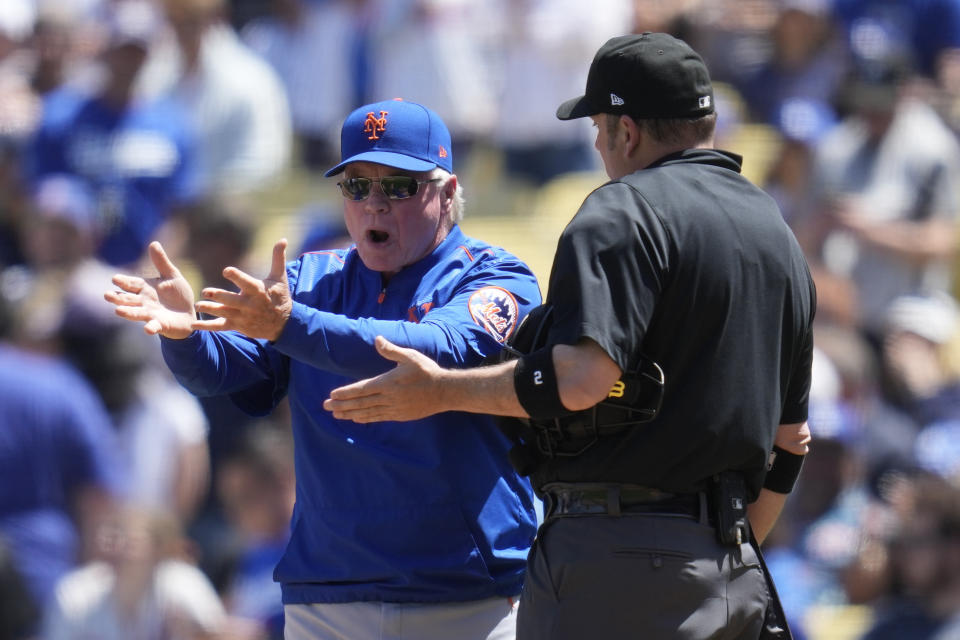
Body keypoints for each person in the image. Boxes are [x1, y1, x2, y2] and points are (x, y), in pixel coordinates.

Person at [325, 33, 817, 640]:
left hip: (615, 562)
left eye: (599, 125)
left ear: (626, 132)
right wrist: (725, 544)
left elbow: (583, 379)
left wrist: (442, 390)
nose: (597, 141)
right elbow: (792, 438)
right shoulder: (778, 234)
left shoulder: (622, 210)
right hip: (733, 567)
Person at [105, 98, 541, 640]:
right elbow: (226, 372)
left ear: (448, 192)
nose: (375, 205)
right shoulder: (311, 280)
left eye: (399, 185)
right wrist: (184, 333)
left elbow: (435, 348)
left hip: (465, 599)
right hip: (330, 597)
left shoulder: (495, 274)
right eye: (357, 186)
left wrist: (289, 325)